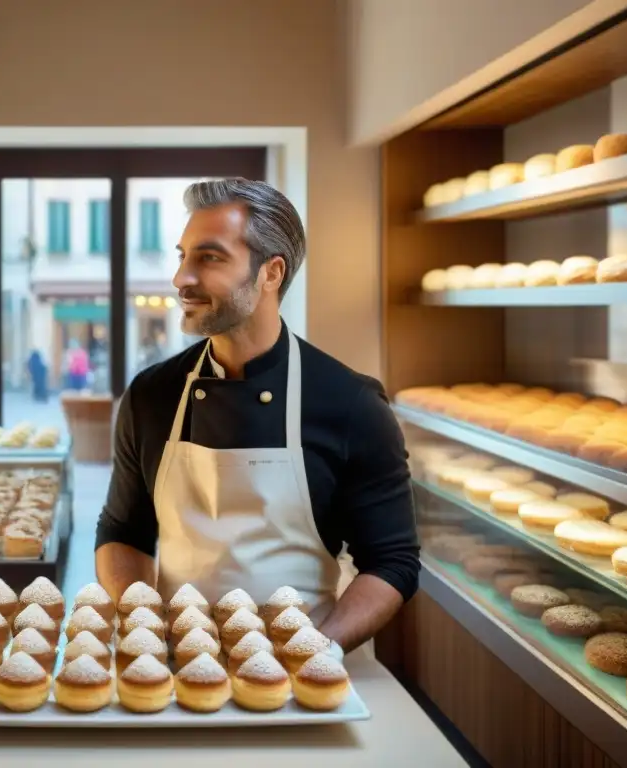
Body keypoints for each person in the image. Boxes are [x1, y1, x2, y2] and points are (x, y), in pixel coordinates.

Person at [95, 178, 419, 654]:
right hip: (173, 665)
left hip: (305, 665)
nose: (181, 278)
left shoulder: (351, 404)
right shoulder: (152, 396)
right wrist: (143, 624)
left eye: (208, 257)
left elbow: (391, 561)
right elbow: (124, 532)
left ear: (271, 273)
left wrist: (315, 652)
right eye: (182, 256)